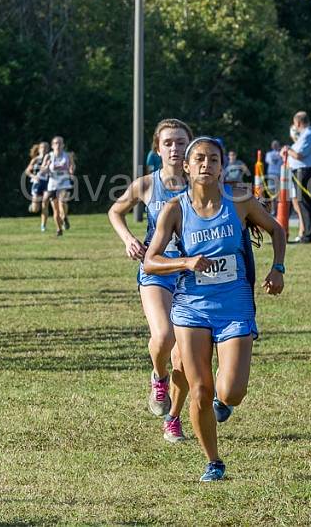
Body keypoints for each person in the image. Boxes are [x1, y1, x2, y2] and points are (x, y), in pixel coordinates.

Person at [143, 136, 286, 482]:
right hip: (191, 309)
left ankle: (226, 403)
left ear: (222, 167)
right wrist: (186, 262)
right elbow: (150, 261)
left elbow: (276, 230)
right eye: (200, 160)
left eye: (213, 159)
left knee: (231, 391)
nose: (206, 164)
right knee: (201, 390)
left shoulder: (239, 202)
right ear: (188, 167)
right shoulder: (175, 209)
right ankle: (214, 462)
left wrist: (277, 268)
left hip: (235, 308)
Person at [108, 119, 193, 444]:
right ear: (157, 149)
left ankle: (173, 419)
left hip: (191, 274)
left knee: (185, 356)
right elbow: (115, 212)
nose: (175, 148)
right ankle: (158, 378)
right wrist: (129, 239)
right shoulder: (146, 184)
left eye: (181, 142)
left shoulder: (200, 183)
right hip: (155, 270)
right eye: (168, 142)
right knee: (163, 335)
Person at [285, 111, 311, 243]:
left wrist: (288, 149)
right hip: (301, 170)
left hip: (303, 171)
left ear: (298, 123)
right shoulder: (306, 135)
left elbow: (298, 155)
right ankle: (306, 232)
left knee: (304, 203)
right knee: (302, 202)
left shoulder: (308, 135)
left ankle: (308, 234)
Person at [40, 136, 75, 236]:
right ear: (52, 145)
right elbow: (42, 170)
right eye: (55, 143)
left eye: (60, 143)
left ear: (63, 145)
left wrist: (71, 170)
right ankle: (59, 229)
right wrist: (46, 166)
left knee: (62, 202)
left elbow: (72, 166)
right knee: (55, 209)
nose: (58, 145)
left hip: (64, 183)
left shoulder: (67, 156)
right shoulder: (48, 156)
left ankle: (64, 217)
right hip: (52, 185)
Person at [24, 142, 49, 224]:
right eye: (42, 148)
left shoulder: (51, 159)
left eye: (45, 148)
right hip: (37, 183)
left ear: (48, 149)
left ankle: (43, 226)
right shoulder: (35, 160)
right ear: (39, 149)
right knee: (35, 209)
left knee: (45, 204)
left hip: (48, 183)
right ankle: (32, 207)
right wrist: (33, 176)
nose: (44, 149)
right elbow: (27, 171)